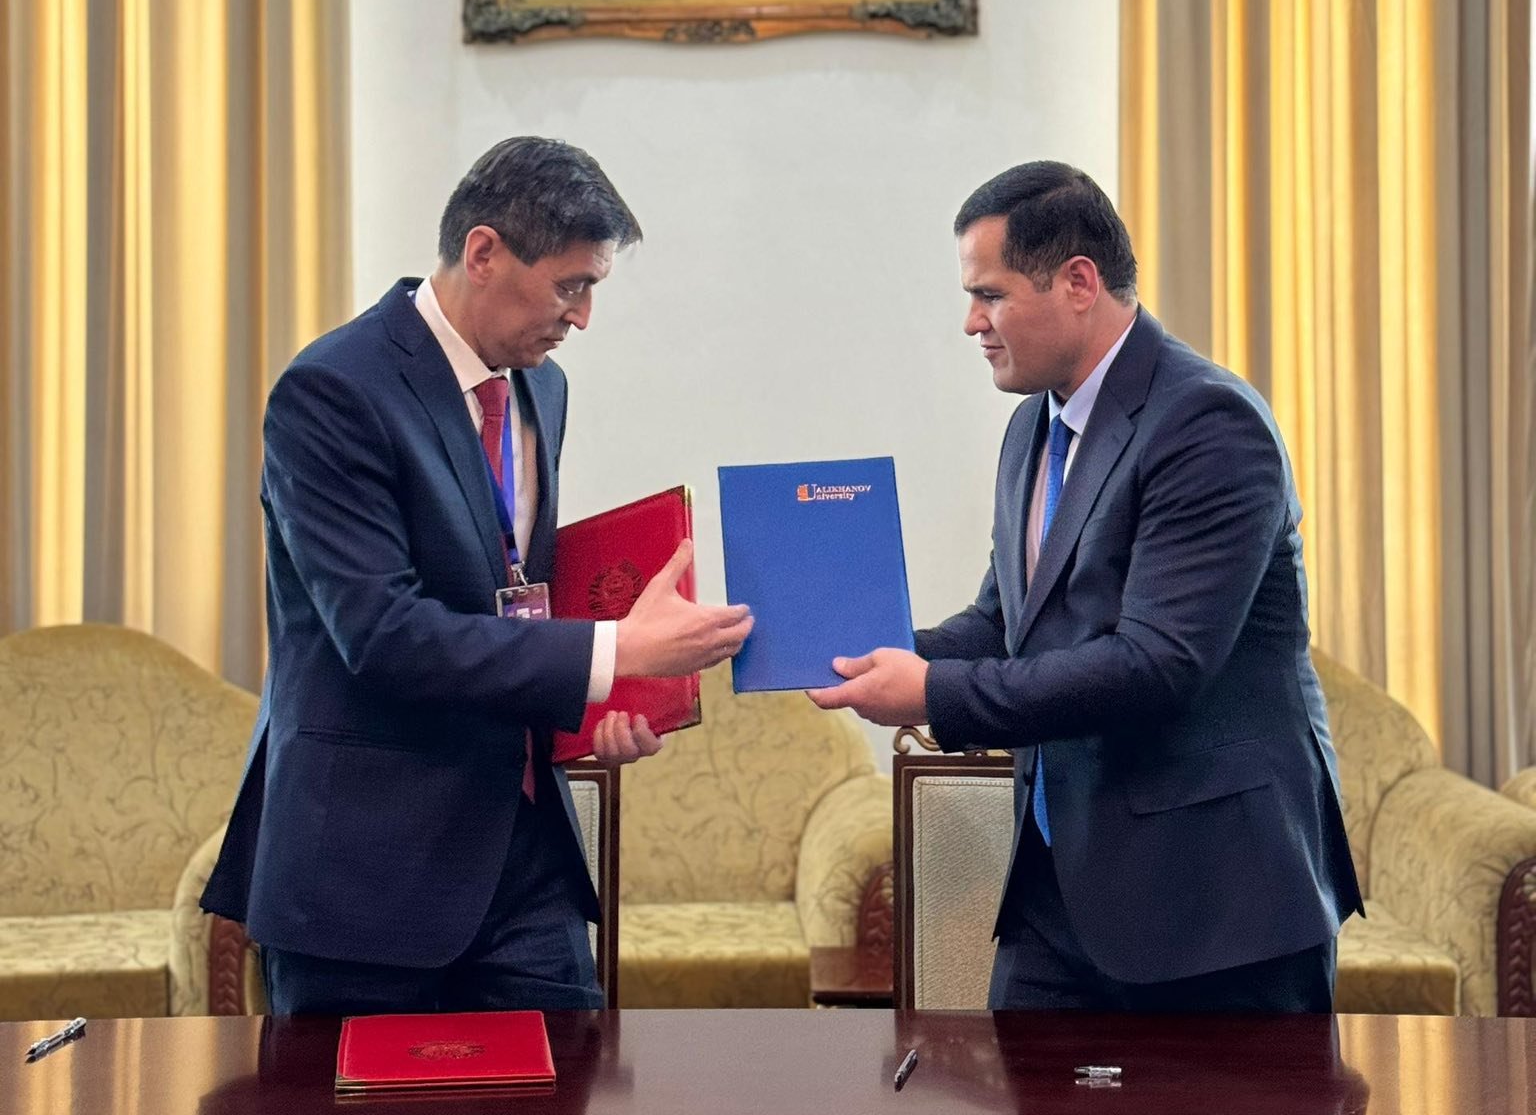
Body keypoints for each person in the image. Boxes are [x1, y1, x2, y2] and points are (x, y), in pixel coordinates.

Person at [203, 136, 752, 1016]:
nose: (583, 319)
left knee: (567, 1102)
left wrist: (598, 714)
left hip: (526, 858)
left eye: (593, 289)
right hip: (367, 875)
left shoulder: (544, 388)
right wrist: (615, 650)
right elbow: (385, 636)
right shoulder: (332, 391)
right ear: (484, 251)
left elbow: (512, 596)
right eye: (570, 286)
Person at [810, 161, 1362, 1013]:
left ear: (1077, 282)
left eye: (989, 295)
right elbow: (1005, 623)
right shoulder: (1032, 425)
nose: (971, 322)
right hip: (1056, 895)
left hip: (1216, 910)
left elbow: (1157, 665)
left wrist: (931, 693)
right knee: (1025, 1108)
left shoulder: (1210, 424)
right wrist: (850, 647)